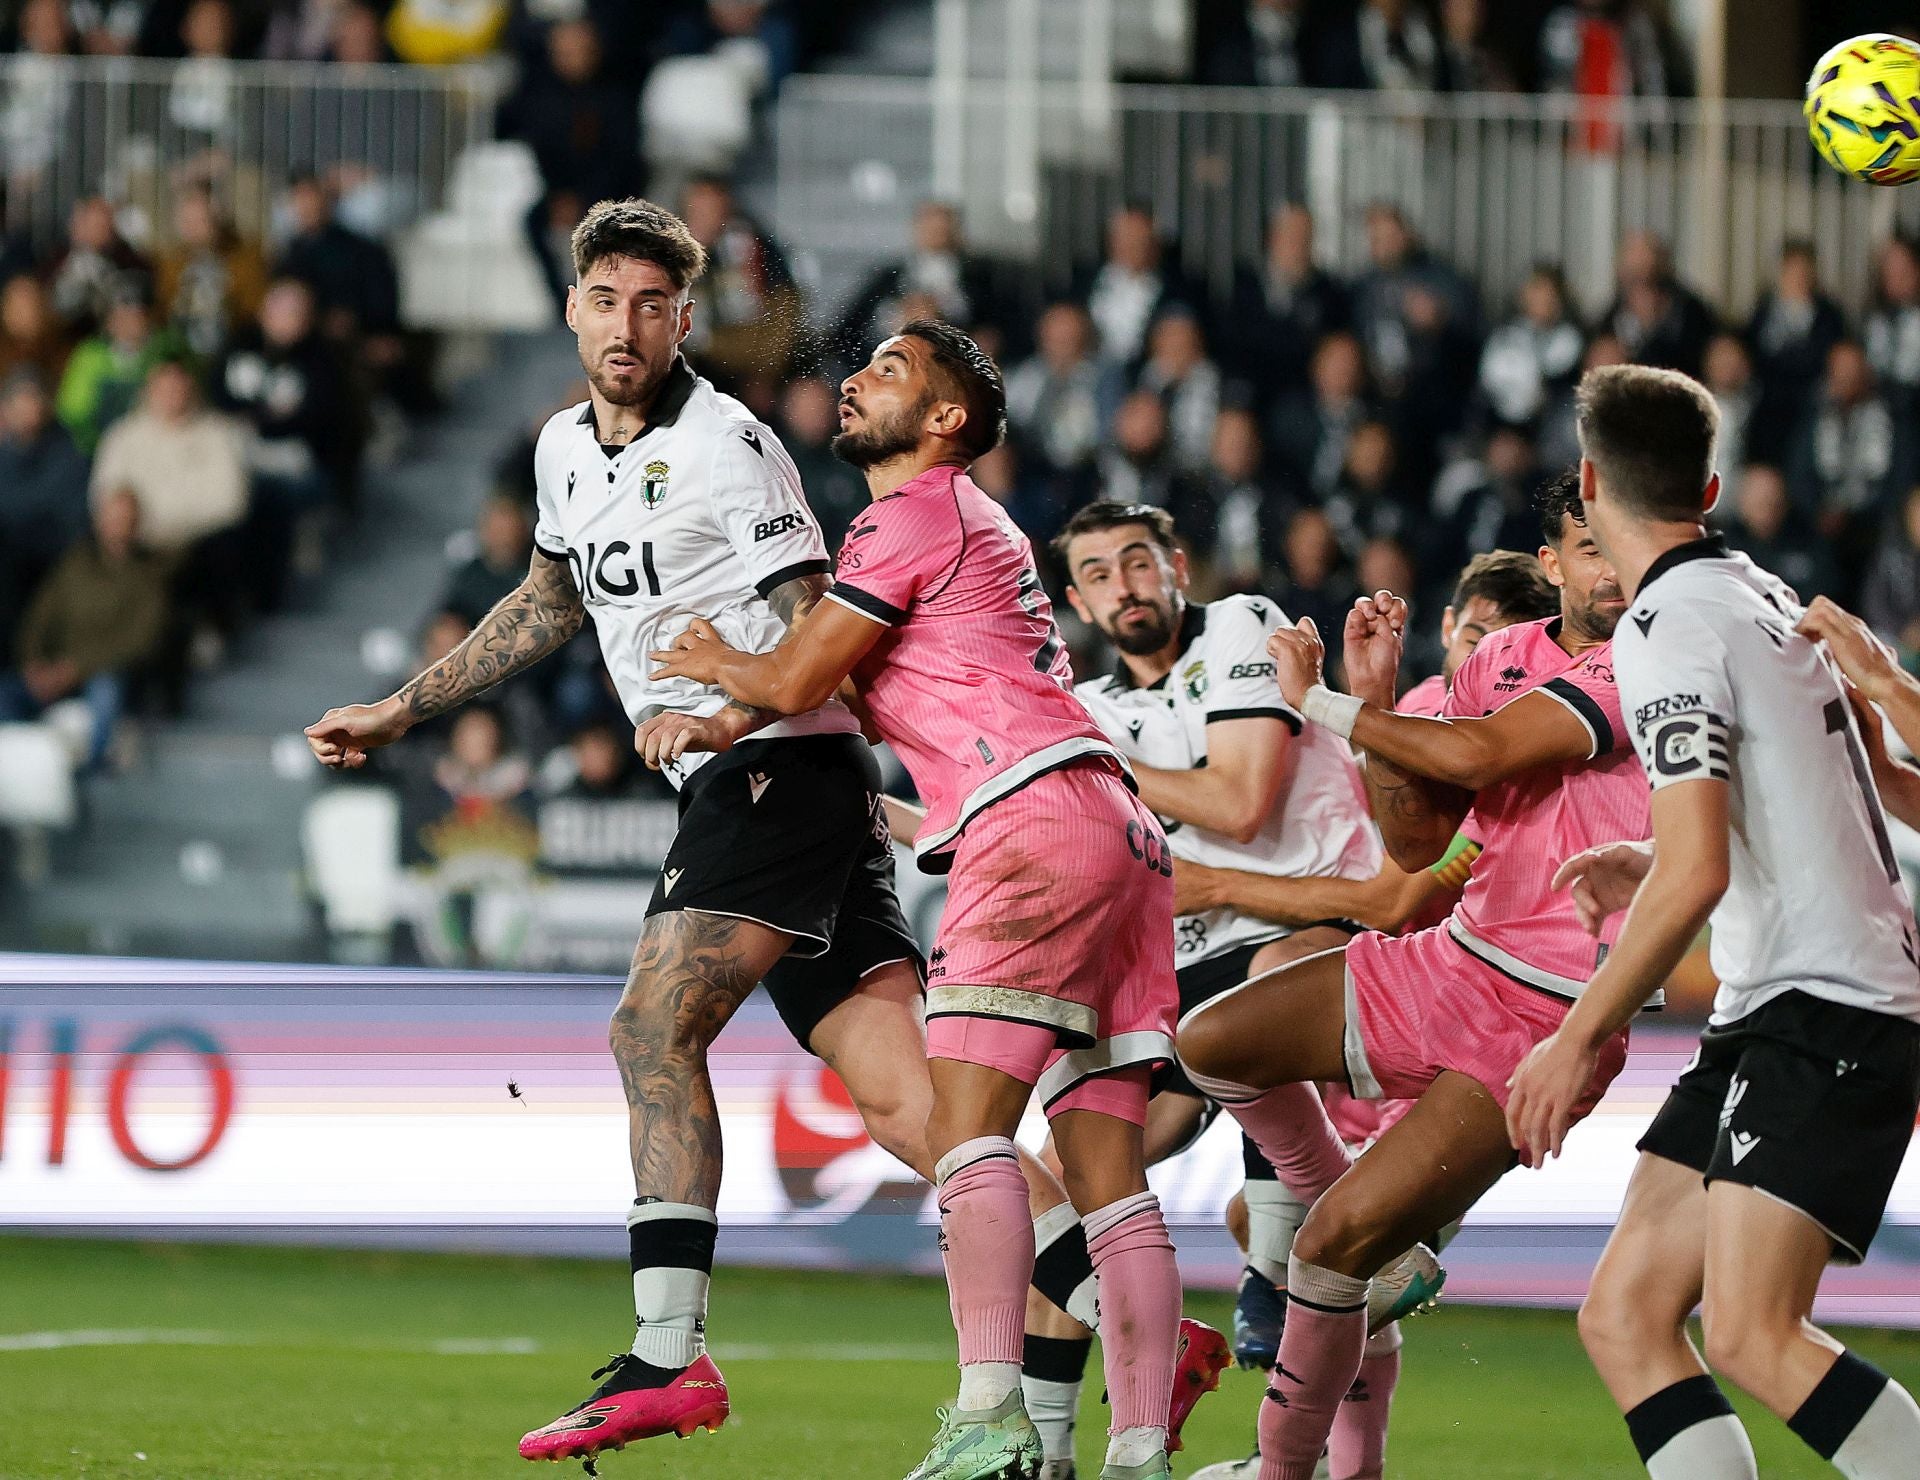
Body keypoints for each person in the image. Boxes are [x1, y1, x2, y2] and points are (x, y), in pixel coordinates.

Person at [304, 207, 1174, 1472]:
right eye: (606, 297)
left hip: (777, 771)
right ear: (573, 309)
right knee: (910, 1106)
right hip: (786, 779)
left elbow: (820, 626)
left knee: (651, 1025)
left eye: (654, 303)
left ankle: (670, 1351)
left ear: (683, 320)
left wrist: (726, 703)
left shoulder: (731, 447)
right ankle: (1140, 1325)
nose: (627, 323)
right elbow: (547, 602)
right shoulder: (560, 451)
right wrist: (400, 708)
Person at [649, 320, 1188, 1480]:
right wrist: (732, 716)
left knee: (963, 1132)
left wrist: (710, 662)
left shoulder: (914, 511)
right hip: (1122, 828)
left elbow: (800, 669)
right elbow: (834, 671)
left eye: (890, 369)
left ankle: (988, 1406)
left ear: (946, 419)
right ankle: (1141, 1448)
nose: (855, 379)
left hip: (1029, 820)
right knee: (1107, 1173)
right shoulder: (962, 529)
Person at [1174, 476, 1651, 1480]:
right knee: (1211, 1043)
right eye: (1590, 549)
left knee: (1330, 1247)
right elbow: (1417, 838)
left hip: (1552, 1015)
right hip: (1445, 964)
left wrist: (1333, 706)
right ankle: (1332, 1206)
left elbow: (1477, 750)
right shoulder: (1502, 659)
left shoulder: (1647, 662)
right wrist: (1382, 703)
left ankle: (1282, 1470)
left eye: (1623, 547)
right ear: (1554, 562)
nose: (1612, 569)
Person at [1507, 363, 1920, 1480]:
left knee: (1751, 1331)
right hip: (1779, 1003)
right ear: (1712, 484)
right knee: (1630, 1316)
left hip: (1827, 1006)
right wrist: (1654, 854)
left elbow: (1692, 879)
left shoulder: (1665, 627)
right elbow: (1798, 803)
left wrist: (1574, 1035)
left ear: (1589, 484)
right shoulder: (1757, 590)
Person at [0, 487, 169, 769]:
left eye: (124, 519)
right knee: (6, 692)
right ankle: (24, 764)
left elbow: (139, 641)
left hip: (101, 672)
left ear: (137, 524)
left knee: (107, 690)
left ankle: (93, 768)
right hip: (53, 669)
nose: (117, 526)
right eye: (111, 517)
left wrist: (75, 668)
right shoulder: (75, 564)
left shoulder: (149, 575)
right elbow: (41, 616)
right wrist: (34, 663)